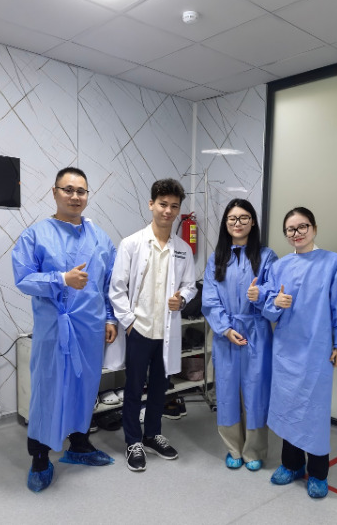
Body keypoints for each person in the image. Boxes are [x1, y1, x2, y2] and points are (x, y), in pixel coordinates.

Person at [12, 167, 117, 493]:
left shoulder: (100, 238)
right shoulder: (35, 235)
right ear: (55, 192)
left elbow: (109, 284)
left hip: (90, 329)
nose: (75, 196)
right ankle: (40, 457)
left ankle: (80, 445)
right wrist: (61, 279)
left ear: (87, 196)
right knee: (48, 390)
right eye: (68, 189)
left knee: (84, 388)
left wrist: (110, 318)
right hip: (54, 329)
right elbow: (24, 278)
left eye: (81, 191)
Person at [262, 206, 337, 498]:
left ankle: (317, 472)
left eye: (302, 226)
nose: (297, 233)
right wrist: (275, 303)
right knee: (288, 406)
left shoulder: (334, 263)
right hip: (286, 350)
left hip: (316, 350)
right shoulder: (279, 267)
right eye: (291, 229)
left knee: (314, 411)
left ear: (314, 228)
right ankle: (291, 465)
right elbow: (268, 310)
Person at [106, 179, 197, 472]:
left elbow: (190, 285)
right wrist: (129, 322)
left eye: (174, 206)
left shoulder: (183, 249)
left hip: (166, 331)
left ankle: (152, 434)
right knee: (134, 388)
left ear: (178, 210)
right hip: (139, 330)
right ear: (151, 204)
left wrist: (182, 298)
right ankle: (133, 440)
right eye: (162, 204)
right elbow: (116, 288)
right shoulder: (131, 244)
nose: (168, 211)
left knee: (160, 387)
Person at [202, 199, 277, 471]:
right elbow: (210, 299)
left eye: (244, 218)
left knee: (256, 390)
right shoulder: (216, 259)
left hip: (257, 331)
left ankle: (254, 450)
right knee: (227, 389)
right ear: (226, 223)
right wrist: (225, 329)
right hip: (227, 334)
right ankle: (233, 447)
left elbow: (275, 295)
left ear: (253, 222)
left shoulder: (267, 257)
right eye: (232, 218)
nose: (238, 223)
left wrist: (261, 295)